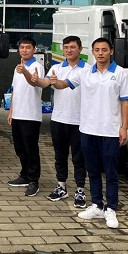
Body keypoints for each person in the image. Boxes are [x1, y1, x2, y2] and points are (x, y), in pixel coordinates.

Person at [59, 37, 128, 229]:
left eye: (104, 50)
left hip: (110, 131)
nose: (100, 53)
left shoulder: (120, 73)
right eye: (97, 50)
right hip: (88, 129)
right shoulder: (85, 73)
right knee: (92, 170)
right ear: (92, 52)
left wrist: (124, 127)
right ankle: (97, 205)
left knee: (110, 172)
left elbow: (125, 102)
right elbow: (62, 84)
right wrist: (45, 80)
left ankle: (111, 209)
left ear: (111, 51)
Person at [33, 36, 89, 208]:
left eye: (72, 47)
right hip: (58, 119)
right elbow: (45, 82)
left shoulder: (88, 69)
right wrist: (35, 79)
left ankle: (80, 190)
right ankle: (61, 186)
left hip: (80, 121)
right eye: (66, 47)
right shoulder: (56, 67)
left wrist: (55, 83)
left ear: (80, 49)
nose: (68, 50)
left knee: (79, 158)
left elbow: (60, 85)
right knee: (60, 156)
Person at [7, 36, 46, 197]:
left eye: (28, 47)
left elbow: (34, 82)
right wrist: (11, 111)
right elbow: (14, 91)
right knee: (20, 147)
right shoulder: (17, 67)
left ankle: (34, 180)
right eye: (22, 47)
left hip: (31, 115)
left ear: (34, 49)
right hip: (18, 114)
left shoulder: (37, 66)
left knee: (31, 148)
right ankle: (24, 175)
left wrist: (25, 72)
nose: (24, 50)